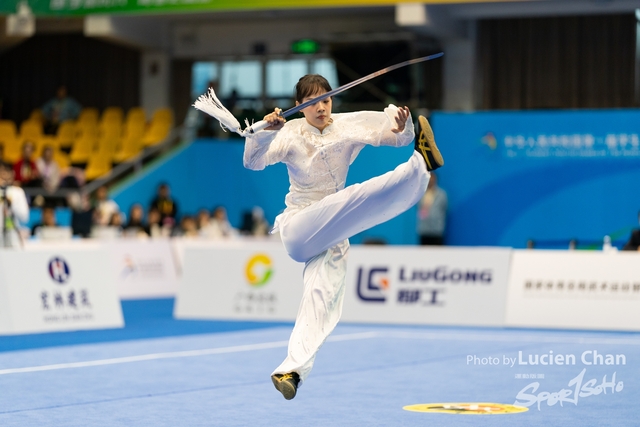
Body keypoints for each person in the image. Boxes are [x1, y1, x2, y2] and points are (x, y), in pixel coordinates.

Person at [243, 74, 443, 400]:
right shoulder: (288, 132)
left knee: (320, 300)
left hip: (333, 235)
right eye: (313, 102)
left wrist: (403, 127)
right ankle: (422, 162)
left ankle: (291, 370)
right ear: (299, 106)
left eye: (326, 99)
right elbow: (252, 161)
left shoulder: (349, 125)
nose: (321, 107)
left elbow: (395, 137)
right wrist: (264, 132)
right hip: (299, 228)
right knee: (354, 198)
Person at [0, 162, 29, 247]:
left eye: (6, 172)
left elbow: (24, 217)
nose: (3, 176)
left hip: (13, 233)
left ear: (11, 174)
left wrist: (12, 204)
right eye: (1, 173)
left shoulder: (18, 192)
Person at [416, 171, 448, 245]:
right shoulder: (421, 193)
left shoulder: (442, 194)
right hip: (424, 229)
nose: (430, 181)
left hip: (437, 230)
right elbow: (418, 208)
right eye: (429, 180)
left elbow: (444, 209)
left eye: (432, 180)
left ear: (435, 180)